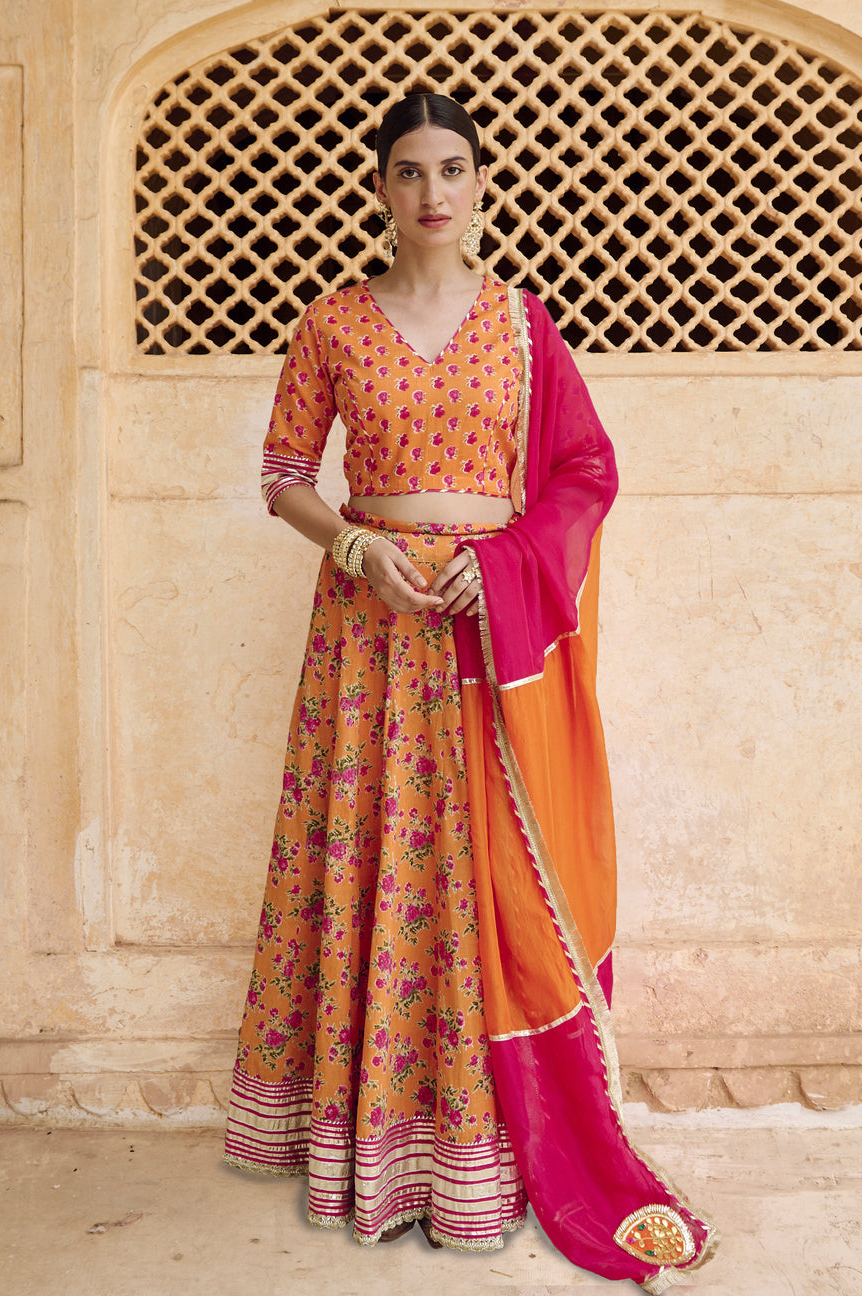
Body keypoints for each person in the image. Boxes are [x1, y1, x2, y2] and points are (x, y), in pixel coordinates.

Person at [224, 91, 717, 1293]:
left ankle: (485, 1149)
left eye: (454, 168)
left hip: (488, 641)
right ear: (381, 189)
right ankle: (372, 1153)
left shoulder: (524, 326)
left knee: (481, 874)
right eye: (409, 171)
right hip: (369, 633)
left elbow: (585, 469)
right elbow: (286, 472)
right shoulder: (334, 323)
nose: (433, 191)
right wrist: (355, 550)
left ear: (481, 183)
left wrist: (500, 574)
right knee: (377, 863)